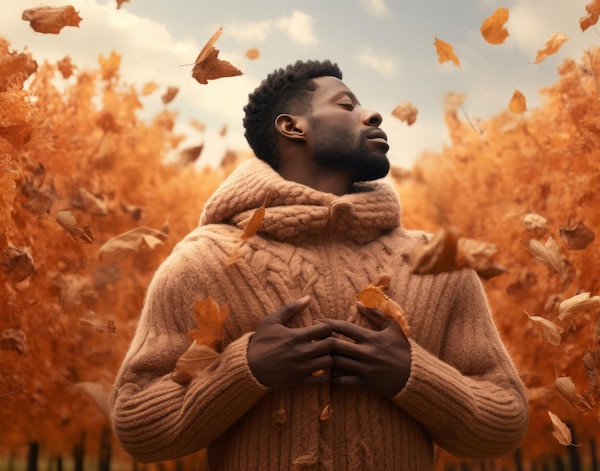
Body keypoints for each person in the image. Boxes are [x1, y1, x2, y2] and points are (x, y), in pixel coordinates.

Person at [111, 59, 528, 470]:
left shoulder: (436, 265)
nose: (374, 114)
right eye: (347, 105)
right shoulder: (201, 263)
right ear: (293, 127)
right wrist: (245, 369)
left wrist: (413, 376)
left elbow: (506, 422)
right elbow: (135, 425)